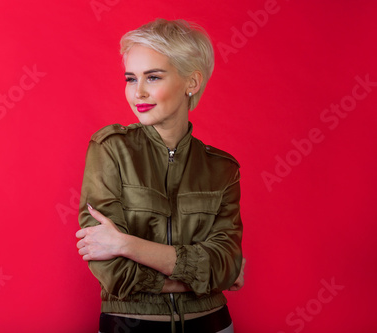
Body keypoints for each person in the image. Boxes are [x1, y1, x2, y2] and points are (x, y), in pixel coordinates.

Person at [76, 18, 244, 333]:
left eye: (153, 77)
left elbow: (224, 262)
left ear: (191, 82)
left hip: (214, 325)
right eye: (130, 78)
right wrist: (201, 279)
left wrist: (127, 245)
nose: (138, 91)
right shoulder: (110, 149)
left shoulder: (223, 168)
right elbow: (115, 274)